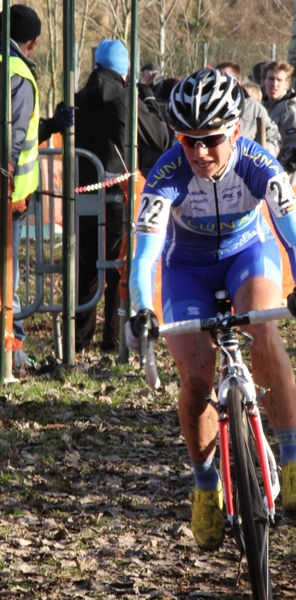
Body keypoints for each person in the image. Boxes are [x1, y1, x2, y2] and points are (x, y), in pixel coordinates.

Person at [124, 68, 296, 551]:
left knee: (264, 333)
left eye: (211, 139)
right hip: (186, 269)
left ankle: (293, 456)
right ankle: (204, 485)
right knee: (195, 377)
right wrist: (139, 309)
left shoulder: (260, 163)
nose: (199, 152)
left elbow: (295, 237)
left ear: (235, 129)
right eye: (188, 140)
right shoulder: (167, 174)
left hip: (247, 255)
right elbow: (146, 254)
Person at [74, 40, 169, 353]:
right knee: (119, 266)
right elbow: (160, 137)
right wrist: (151, 100)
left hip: (84, 190)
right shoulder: (126, 99)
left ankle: (79, 341)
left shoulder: (79, 98)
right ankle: (113, 340)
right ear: (125, 69)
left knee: (87, 267)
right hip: (119, 191)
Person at [0, 4, 73, 371]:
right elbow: (11, 138)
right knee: (7, 277)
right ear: (33, 41)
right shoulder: (19, 73)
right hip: (9, 195)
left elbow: (18, 128)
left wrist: (47, 126)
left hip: (9, 190)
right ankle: (11, 352)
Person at [215, 61, 281, 157]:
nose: (221, 84)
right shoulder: (206, 109)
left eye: (226, 80)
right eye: (217, 80)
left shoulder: (255, 109)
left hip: (243, 168)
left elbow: (274, 138)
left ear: (238, 82)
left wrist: (261, 155)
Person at [261, 60, 296, 185]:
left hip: (281, 185)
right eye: (271, 79)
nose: (274, 84)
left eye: (279, 80)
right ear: (263, 82)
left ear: (287, 84)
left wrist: (275, 175)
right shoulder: (263, 109)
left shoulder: (291, 112)